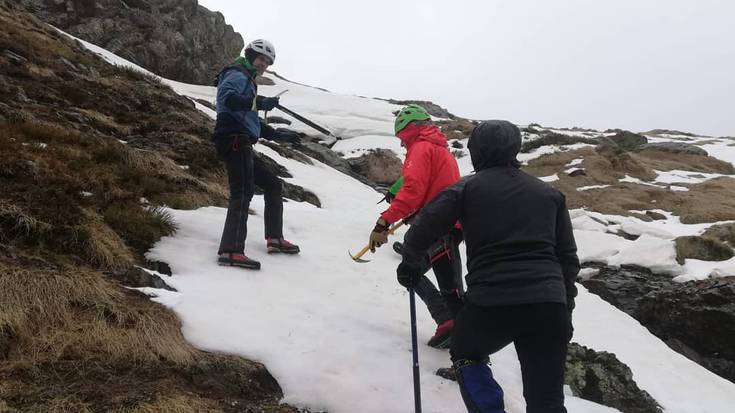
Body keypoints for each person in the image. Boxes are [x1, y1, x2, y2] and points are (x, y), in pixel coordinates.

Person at [396, 120, 579, 413]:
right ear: (515, 149)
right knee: (547, 401)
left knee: (465, 351)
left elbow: (423, 228)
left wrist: (411, 262)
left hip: (492, 302)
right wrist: (565, 304)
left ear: (476, 151)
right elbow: (567, 258)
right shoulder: (549, 195)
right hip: (548, 304)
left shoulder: (466, 189)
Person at [368, 104, 464, 348]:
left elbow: (412, 189)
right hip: (445, 224)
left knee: (450, 291)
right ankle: (448, 322)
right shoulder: (440, 150)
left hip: (438, 226)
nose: (401, 143)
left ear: (408, 129)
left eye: (401, 137)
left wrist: (384, 221)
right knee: (410, 273)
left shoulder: (421, 148)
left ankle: (464, 342)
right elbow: (434, 190)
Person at [212, 39, 302, 270]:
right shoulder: (237, 73)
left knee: (272, 185)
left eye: (268, 62)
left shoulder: (248, 79)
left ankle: (275, 239)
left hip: (240, 139)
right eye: (262, 59)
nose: (265, 65)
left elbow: (250, 119)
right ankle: (230, 250)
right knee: (242, 193)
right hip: (233, 139)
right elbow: (228, 100)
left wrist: (278, 134)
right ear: (251, 55)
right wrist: (258, 101)